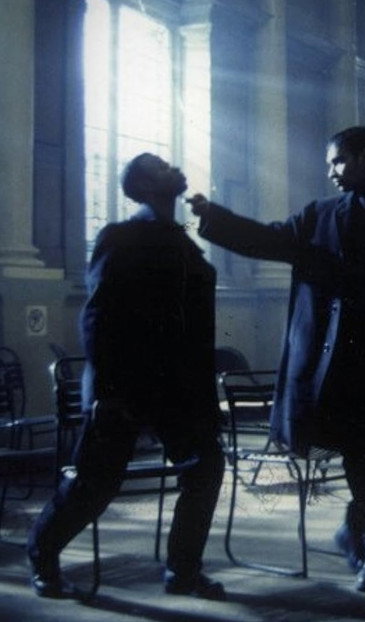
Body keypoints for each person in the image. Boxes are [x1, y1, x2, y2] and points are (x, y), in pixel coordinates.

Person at [189, 126, 365, 593]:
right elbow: (270, 240)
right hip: (345, 366)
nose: (331, 172)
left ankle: (355, 528)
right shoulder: (320, 216)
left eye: (338, 161)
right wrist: (214, 218)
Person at [28, 153, 226, 600]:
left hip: (178, 388)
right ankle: (41, 555)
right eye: (159, 166)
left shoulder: (180, 238)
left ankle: (183, 571)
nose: (172, 167)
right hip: (126, 386)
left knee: (206, 467)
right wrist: (107, 392)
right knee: (95, 484)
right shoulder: (120, 236)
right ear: (145, 185)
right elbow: (97, 318)